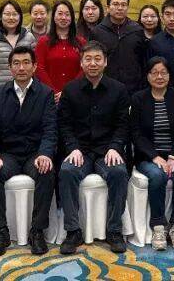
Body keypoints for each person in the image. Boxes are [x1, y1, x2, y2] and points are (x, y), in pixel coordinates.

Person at [57, 41, 131, 255]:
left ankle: (114, 230)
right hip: (80, 150)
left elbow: (123, 124)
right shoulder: (70, 89)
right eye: (88, 59)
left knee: (118, 173)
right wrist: (72, 147)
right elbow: (64, 124)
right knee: (67, 171)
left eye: (98, 59)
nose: (93, 63)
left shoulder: (118, 89)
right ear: (81, 63)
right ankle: (73, 231)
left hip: (107, 150)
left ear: (105, 62)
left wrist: (116, 147)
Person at [0, 46, 56, 257]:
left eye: (26, 63)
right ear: (10, 67)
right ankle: (1, 231)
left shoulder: (45, 93)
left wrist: (45, 153)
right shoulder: (0, 93)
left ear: (34, 66)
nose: (21, 68)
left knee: (46, 170)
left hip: (35, 153)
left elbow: (50, 129)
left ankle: (37, 231)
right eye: (16, 63)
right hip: (9, 155)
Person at [130, 57, 174, 251]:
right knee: (157, 176)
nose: (159, 76)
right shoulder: (139, 98)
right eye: (155, 72)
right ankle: (158, 226)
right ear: (148, 76)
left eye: (163, 72)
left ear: (169, 75)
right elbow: (136, 133)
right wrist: (154, 156)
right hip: (148, 156)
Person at [0, 0, 37, 94]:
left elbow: (35, 67)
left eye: (14, 14)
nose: (11, 17)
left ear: (20, 17)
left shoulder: (29, 37)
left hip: (25, 91)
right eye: (7, 14)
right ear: (0, 17)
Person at [35, 0, 85, 100]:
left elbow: (84, 68)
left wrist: (69, 91)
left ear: (72, 17)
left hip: (75, 95)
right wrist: (53, 91)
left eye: (67, 14)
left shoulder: (81, 42)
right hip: (49, 96)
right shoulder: (43, 42)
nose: (63, 17)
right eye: (60, 14)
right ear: (53, 16)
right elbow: (39, 68)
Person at [99, 0, 147, 94]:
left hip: (133, 88)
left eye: (123, 5)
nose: (120, 8)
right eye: (115, 4)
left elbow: (143, 60)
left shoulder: (137, 30)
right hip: (105, 88)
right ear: (108, 8)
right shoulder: (98, 31)